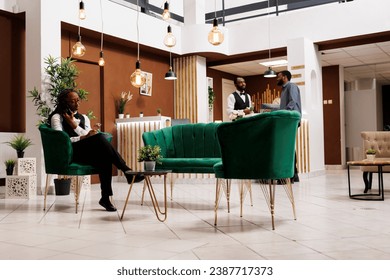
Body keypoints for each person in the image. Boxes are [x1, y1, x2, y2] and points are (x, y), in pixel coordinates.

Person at [48, 88, 143, 212]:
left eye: (78, 101)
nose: (77, 104)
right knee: (100, 140)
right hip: (70, 152)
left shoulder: (84, 118)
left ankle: (105, 198)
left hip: (84, 151)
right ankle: (126, 170)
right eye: (72, 101)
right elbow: (60, 141)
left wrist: (75, 126)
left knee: (104, 155)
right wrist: (81, 136)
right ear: (64, 102)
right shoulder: (57, 117)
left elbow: (90, 135)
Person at [276, 70, 302, 183]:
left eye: (279, 77)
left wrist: (283, 113)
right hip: (287, 120)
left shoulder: (292, 86)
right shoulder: (284, 89)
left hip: (289, 120)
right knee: (289, 147)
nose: (277, 79)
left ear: (285, 77)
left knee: (286, 147)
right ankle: (293, 175)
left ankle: (288, 176)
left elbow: (292, 102)